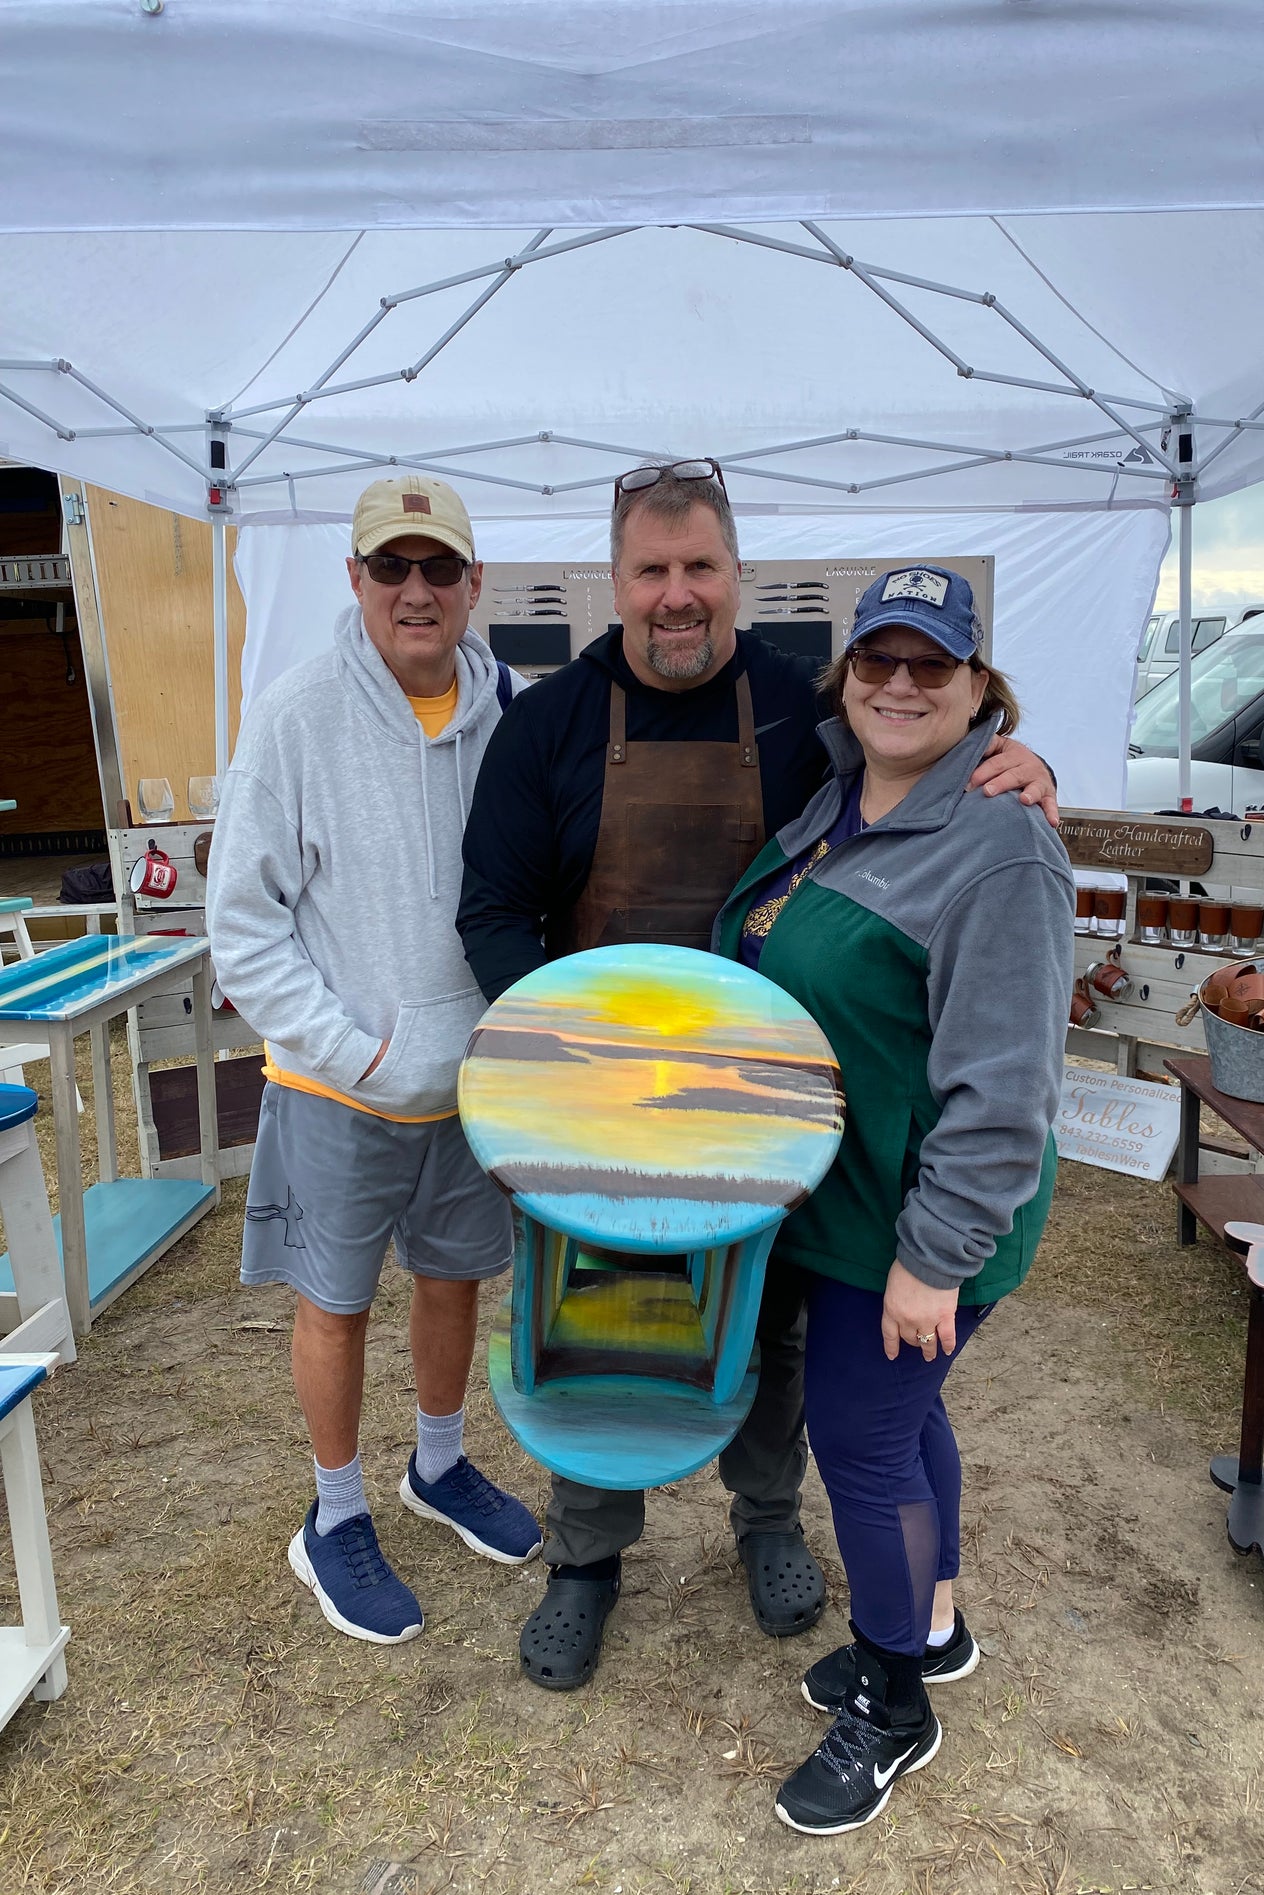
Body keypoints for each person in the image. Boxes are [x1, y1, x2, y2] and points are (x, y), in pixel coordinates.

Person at [456, 461, 1060, 1690]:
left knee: (778, 1325)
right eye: (650, 571)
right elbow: (492, 915)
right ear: (612, 582)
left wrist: (1018, 758)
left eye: (699, 569)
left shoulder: (802, 713)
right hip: (594, 1103)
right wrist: (564, 1059)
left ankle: (769, 1519)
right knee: (591, 1321)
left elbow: (922, 784)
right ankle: (586, 1558)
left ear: (733, 576)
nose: (676, 596)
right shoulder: (547, 725)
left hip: (766, 1110)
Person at [713, 563, 1073, 1834]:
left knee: (860, 1439)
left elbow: (1004, 1085)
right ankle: (932, 1621)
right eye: (880, 660)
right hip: (844, 1201)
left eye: (934, 664)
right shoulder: (839, 802)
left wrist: (936, 1256)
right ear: (846, 674)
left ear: (979, 688)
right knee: (902, 1421)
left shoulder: (999, 847)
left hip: (914, 1223)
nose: (902, 683)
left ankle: (891, 1700)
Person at [207, 475, 541, 1648]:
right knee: (334, 1304)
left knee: (454, 1280)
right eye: (389, 568)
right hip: (336, 1082)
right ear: (353, 579)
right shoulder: (295, 715)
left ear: (471, 584)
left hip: (467, 1079)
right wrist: (352, 1050)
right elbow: (243, 922)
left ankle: (438, 1467)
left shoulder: (510, 704)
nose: (415, 591)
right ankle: (333, 1513)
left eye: (437, 569)